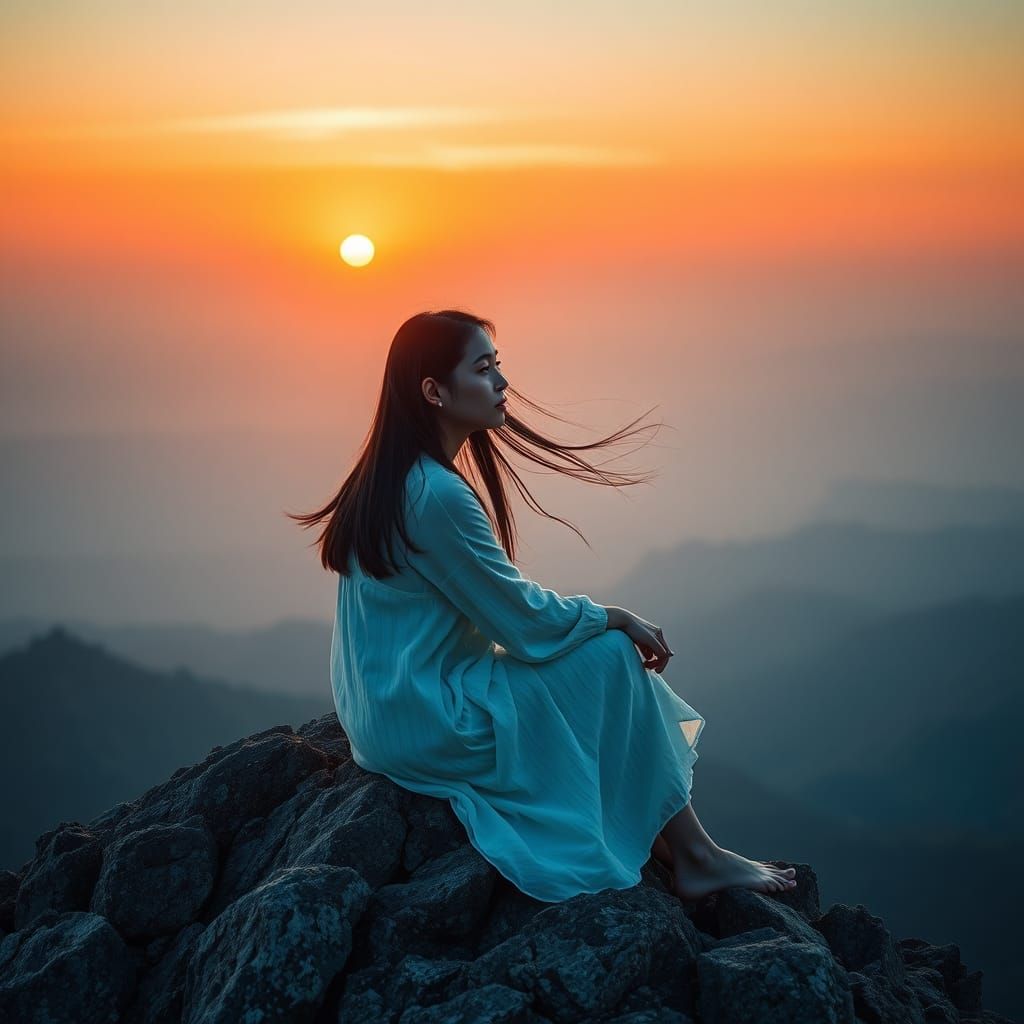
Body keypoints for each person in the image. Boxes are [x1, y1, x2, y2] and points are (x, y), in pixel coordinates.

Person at [287, 309, 796, 903]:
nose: (502, 383)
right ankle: (696, 855)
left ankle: (681, 843)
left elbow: (510, 619)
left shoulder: (387, 479)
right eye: (483, 370)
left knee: (588, 666)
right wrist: (614, 616)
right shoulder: (437, 496)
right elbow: (524, 624)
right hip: (429, 720)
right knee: (610, 657)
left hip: (384, 716)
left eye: (497, 366)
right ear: (434, 391)